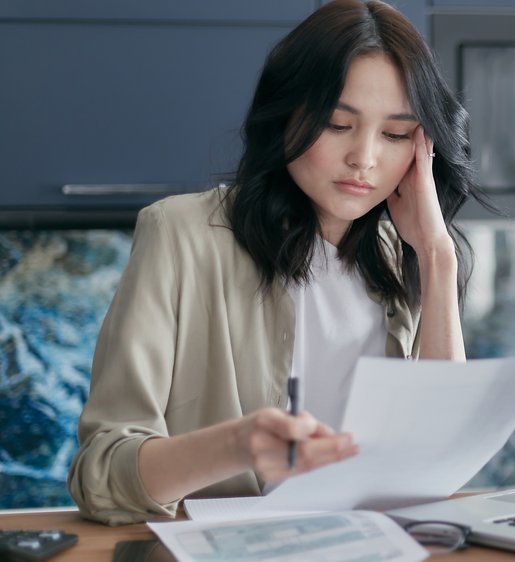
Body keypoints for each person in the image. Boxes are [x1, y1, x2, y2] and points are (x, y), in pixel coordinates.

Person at [67, 0, 490, 526]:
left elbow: (441, 462)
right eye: (338, 124)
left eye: (396, 134)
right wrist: (238, 444)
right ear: (286, 114)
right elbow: (102, 479)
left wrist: (436, 254)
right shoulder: (181, 234)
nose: (365, 158)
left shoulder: (406, 254)